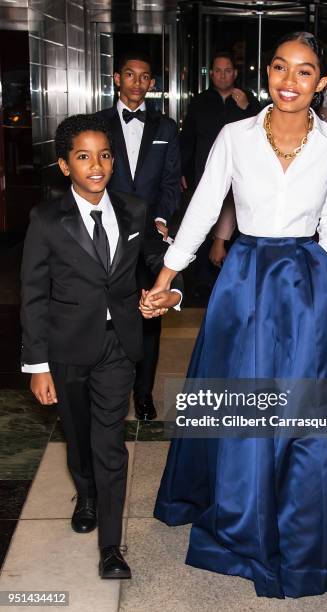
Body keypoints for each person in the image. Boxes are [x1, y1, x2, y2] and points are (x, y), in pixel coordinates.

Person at [142, 32, 327, 598]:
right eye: (279, 68)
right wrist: (168, 275)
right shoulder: (235, 135)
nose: (289, 82)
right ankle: (240, 518)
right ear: (267, 72)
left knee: (305, 410)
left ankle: (301, 518)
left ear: (323, 80)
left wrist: (325, 265)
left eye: (304, 72)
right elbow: (203, 207)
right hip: (245, 279)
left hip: (309, 284)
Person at [20, 114, 182, 579]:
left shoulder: (133, 208)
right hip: (66, 347)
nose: (97, 166)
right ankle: (85, 492)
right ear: (65, 165)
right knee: (78, 439)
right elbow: (32, 294)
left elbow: (161, 259)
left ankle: (111, 548)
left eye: (105, 155)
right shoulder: (47, 219)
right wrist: (37, 365)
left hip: (118, 345)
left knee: (110, 443)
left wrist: (170, 293)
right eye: (84, 156)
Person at [97, 51, 181, 421]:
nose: (136, 82)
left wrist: (162, 219)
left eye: (144, 77)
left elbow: (170, 180)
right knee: (106, 313)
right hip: (105, 233)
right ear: (117, 79)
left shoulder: (165, 127)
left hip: (148, 234)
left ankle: (143, 393)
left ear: (152, 84)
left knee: (150, 312)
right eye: (129, 75)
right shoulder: (95, 123)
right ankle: (106, 387)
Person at [180, 51, 261, 294]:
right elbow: (188, 139)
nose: (223, 75)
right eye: (218, 70)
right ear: (211, 74)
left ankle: (234, 284)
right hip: (205, 175)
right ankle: (203, 284)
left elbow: (261, 136)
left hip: (241, 178)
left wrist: (247, 107)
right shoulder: (200, 101)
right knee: (203, 226)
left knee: (237, 231)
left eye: (228, 70)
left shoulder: (249, 100)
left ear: (235, 74)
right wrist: (182, 169)